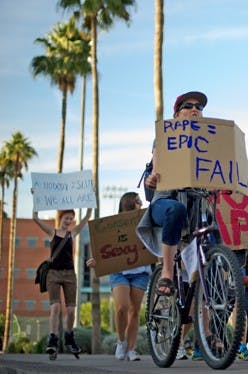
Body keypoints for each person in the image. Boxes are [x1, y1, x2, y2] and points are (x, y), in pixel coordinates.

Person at [136, 90, 208, 360]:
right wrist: (153, 177)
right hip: (166, 205)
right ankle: (166, 271)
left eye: (199, 107)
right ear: (176, 114)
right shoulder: (166, 138)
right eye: (188, 106)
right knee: (176, 209)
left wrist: (240, 182)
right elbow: (157, 163)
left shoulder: (212, 143)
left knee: (210, 266)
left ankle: (206, 336)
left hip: (197, 213)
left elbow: (228, 168)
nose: (195, 109)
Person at [86, 192, 149, 361]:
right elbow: (106, 245)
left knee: (134, 311)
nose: (141, 204)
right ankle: (121, 341)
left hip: (141, 272)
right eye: (138, 201)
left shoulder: (146, 220)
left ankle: (131, 349)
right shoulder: (113, 224)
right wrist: (97, 260)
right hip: (119, 272)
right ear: (128, 203)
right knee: (122, 307)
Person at [32, 207, 93, 357]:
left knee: (71, 310)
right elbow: (35, 218)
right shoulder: (52, 232)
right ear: (60, 218)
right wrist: (36, 201)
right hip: (53, 274)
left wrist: (89, 207)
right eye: (66, 218)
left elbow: (86, 218)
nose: (69, 221)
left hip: (70, 275)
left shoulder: (72, 233)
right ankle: (53, 339)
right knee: (56, 307)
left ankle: (69, 337)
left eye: (71, 218)